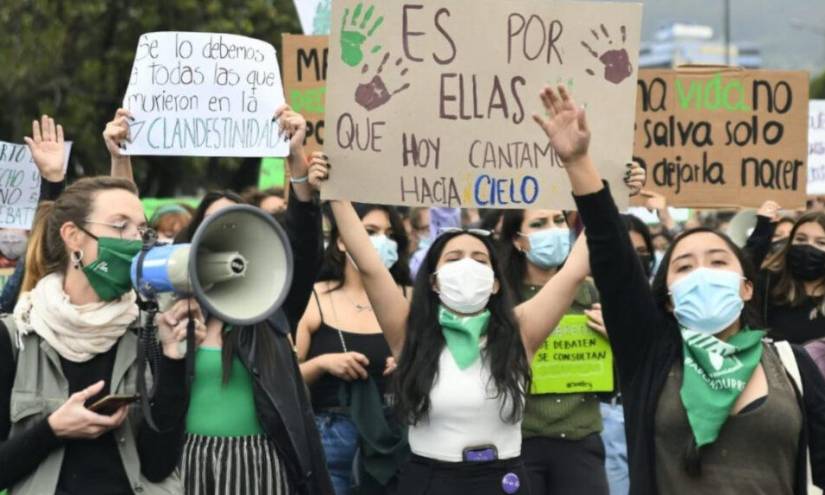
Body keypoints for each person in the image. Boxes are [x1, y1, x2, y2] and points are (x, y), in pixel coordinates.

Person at [534, 84, 825, 494]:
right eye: (684, 266)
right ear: (668, 297)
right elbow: (615, 263)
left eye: (718, 261)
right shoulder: (651, 357)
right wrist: (580, 163)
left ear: (745, 288)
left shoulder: (792, 366)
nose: (702, 273)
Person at [311, 160, 599, 494]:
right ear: (433, 281)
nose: (466, 266)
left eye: (479, 260)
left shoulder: (519, 330)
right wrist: (337, 195)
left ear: (494, 283)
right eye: (453, 258)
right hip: (431, 479)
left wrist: (605, 196)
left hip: (503, 480)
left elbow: (574, 270)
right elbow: (372, 267)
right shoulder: (410, 331)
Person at [0, 171, 207, 493]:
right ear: (73, 236)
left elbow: (159, 465)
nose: (136, 241)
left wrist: (173, 358)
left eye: (141, 229)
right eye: (120, 225)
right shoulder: (15, 337)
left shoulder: (150, 330)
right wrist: (53, 430)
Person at [176, 105, 334, 495]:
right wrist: (119, 160)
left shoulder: (271, 308)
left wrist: (296, 160)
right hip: (187, 464)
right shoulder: (173, 312)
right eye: (214, 226)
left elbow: (302, 244)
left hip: (260, 466)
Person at [297, 203, 411, 494]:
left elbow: (437, 366)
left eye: (389, 234)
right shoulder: (313, 298)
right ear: (341, 240)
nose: (380, 241)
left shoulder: (411, 298)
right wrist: (323, 364)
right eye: (369, 232)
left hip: (395, 435)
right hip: (331, 435)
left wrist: (410, 365)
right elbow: (286, 378)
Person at [499, 208, 607, 495]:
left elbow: (625, 373)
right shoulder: (499, 299)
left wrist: (618, 336)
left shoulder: (593, 293)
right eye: (538, 224)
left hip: (580, 439)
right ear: (518, 240)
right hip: (520, 442)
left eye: (559, 221)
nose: (554, 229)